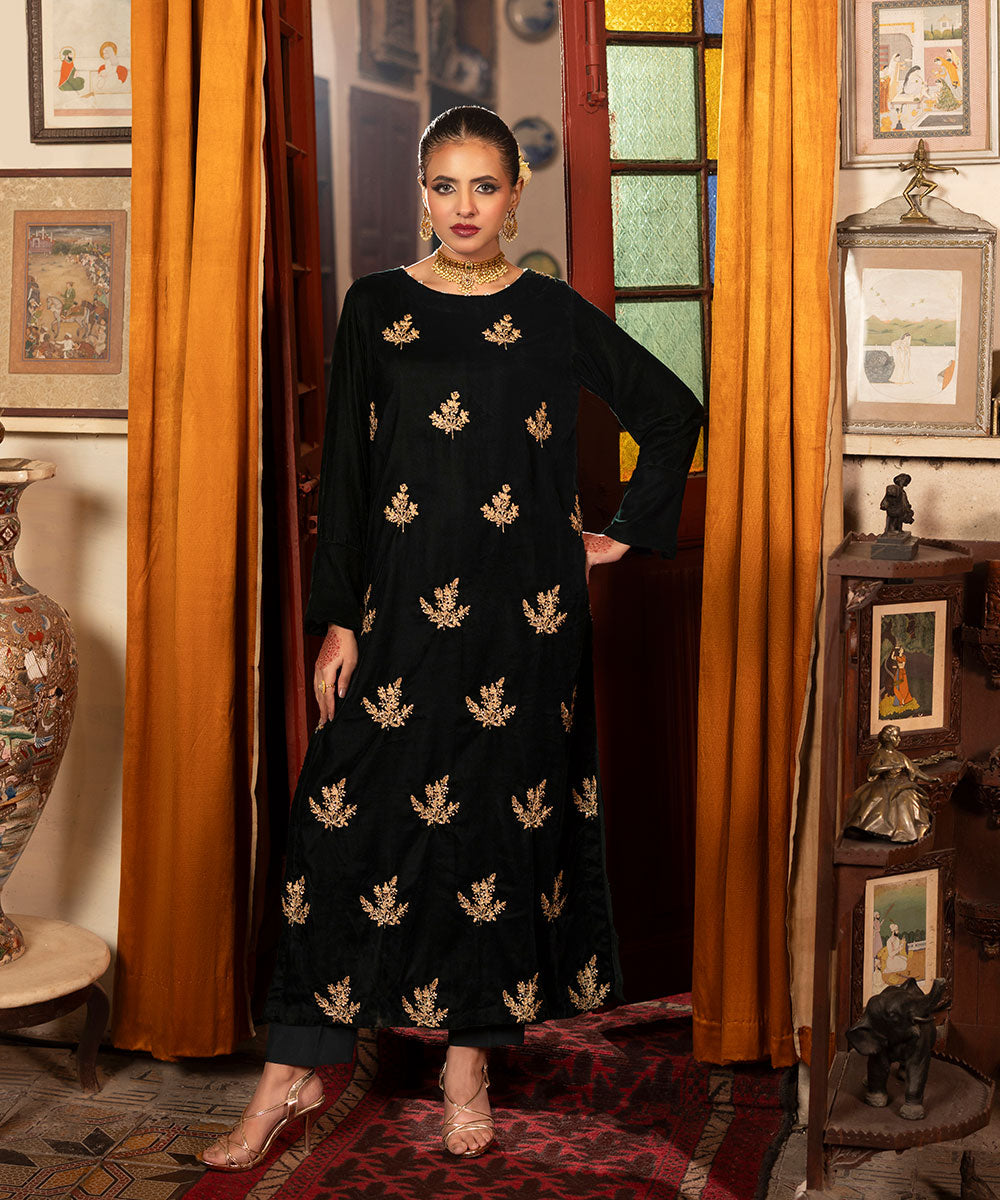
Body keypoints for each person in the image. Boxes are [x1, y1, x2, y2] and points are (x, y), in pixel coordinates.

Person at [201, 105, 702, 1171]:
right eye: (444, 186)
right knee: (338, 828)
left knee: (496, 835)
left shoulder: (551, 313)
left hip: (524, 622)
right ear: (421, 193)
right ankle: (292, 1071)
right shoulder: (375, 307)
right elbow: (346, 475)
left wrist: (622, 533)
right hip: (397, 612)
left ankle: (467, 1067)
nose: (464, 207)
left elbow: (671, 411)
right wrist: (340, 619)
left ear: (516, 193)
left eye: (484, 185)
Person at [843, 724, 934, 843]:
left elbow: (914, 770)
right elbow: (872, 769)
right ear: (888, 739)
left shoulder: (900, 756)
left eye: (899, 737)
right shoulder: (880, 754)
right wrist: (890, 766)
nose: (899, 740)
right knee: (879, 803)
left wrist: (929, 779)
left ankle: (907, 832)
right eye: (896, 737)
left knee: (909, 799)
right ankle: (880, 830)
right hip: (883, 784)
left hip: (901, 784)